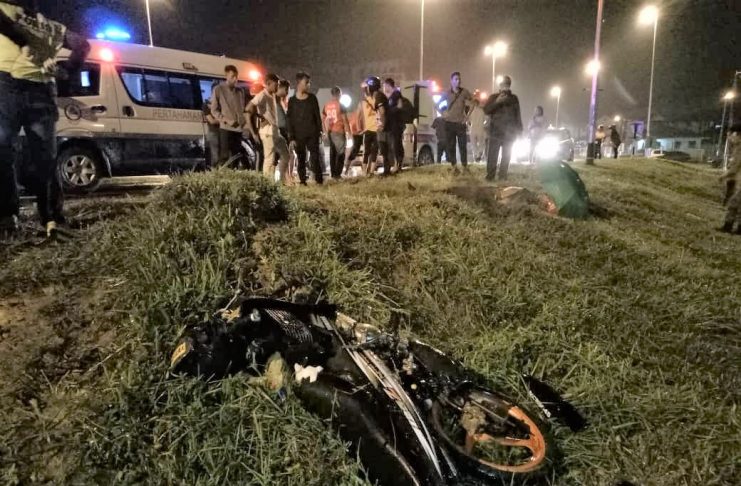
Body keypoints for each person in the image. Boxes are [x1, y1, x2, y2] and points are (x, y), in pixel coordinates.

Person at [0, 1, 90, 238]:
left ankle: (8, 217)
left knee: (3, 150)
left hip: (6, 84)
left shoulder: (6, 9)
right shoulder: (53, 26)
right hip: (42, 88)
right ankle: (51, 218)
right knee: (45, 157)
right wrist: (67, 70)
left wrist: (24, 42)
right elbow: (83, 45)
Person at [245, 73, 290, 184]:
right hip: (267, 132)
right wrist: (260, 118)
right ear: (269, 83)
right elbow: (248, 109)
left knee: (286, 155)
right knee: (269, 158)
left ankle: (281, 180)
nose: (277, 86)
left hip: (275, 131)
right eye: (276, 84)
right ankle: (267, 184)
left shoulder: (273, 95)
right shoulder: (262, 95)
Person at [483, 75, 523, 181]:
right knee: (492, 155)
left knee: (506, 155)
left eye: (507, 85)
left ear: (509, 86)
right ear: (500, 86)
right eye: (503, 85)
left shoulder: (514, 99)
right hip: (495, 131)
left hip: (509, 133)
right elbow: (486, 110)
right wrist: (497, 102)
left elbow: (517, 115)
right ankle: (490, 176)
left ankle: (503, 176)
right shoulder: (493, 97)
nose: (505, 87)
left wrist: (519, 130)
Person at [287, 71, 323, 185]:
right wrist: (291, 137)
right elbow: (289, 120)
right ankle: (302, 181)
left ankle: (319, 180)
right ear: (299, 83)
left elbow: (317, 116)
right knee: (301, 158)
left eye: (309, 82)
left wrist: (320, 131)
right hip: (298, 135)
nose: (308, 85)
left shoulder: (312, 98)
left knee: (315, 157)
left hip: (312, 133)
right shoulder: (292, 101)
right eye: (306, 82)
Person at [211, 65, 247, 167]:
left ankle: (233, 174)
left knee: (236, 156)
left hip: (238, 129)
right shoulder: (218, 89)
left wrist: (243, 122)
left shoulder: (240, 91)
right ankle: (222, 175)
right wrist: (226, 120)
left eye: (236, 76)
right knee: (224, 156)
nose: (235, 79)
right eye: (232, 76)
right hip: (226, 128)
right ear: (226, 76)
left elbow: (242, 109)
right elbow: (214, 110)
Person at [439, 71, 475, 173]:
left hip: (460, 123)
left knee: (462, 146)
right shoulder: (447, 92)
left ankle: (464, 166)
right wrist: (443, 113)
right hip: (449, 123)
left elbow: (473, 102)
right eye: (456, 79)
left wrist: (467, 116)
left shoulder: (464, 92)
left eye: (459, 79)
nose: (458, 81)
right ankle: (454, 166)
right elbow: (437, 104)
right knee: (451, 146)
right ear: (451, 81)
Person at [357, 77, 386, 176]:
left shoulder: (363, 101)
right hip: (377, 128)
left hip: (368, 129)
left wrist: (359, 128)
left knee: (366, 151)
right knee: (375, 151)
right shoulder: (376, 98)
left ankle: (364, 171)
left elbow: (358, 116)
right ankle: (372, 171)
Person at [322, 86, 350, 180]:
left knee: (332, 153)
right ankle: (338, 174)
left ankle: (333, 174)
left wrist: (325, 131)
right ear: (339, 94)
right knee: (341, 153)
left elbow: (323, 119)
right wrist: (349, 132)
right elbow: (345, 120)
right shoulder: (340, 105)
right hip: (339, 131)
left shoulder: (326, 105)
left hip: (330, 132)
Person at [719, 124, 741, 234]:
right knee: (736, 203)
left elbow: (735, 167)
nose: (729, 138)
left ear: (737, 134)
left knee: (734, 203)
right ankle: (732, 227)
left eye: (730, 135)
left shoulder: (740, 148)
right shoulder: (737, 147)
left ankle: (729, 227)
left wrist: (723, 176)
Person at [382, 78, 404, 173]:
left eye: (384, 86)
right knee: (390, 145)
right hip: (389, 125)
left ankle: (397, 164)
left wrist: (390, 111)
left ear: (388, 85)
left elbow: (400, 106)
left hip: (396, 124)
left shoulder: (396, 94)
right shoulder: (387, 97)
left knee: (396, 144)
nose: (383, 88)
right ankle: (392, 165)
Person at [275, 79, 294, 184]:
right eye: (286, 89)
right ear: (280, 88)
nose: (287, 92)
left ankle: (284, 179)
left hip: (283, 131)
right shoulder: (274, 100)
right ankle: (282, 180)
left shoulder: (281, 101)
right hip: (278, 131)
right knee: (283, 156)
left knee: (286, 156)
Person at [202, 79, 221, 167]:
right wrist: (224, 120)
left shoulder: (221, 104)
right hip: (213, 133)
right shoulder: (206, 105)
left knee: (223, 156)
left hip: (223, 132)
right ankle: (215, 172)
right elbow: (212, 121)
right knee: (215, 157)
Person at [469, 95, 488, 163]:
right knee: (481, 142)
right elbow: (486, 119)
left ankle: (476, 155)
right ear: (478, 103)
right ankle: (480, 153)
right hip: (480, 128)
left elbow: (468, 121)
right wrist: (483, 124)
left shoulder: (470, 111)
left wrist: (470, 124)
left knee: (473, 143)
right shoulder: (482, 111)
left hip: (473, 129)